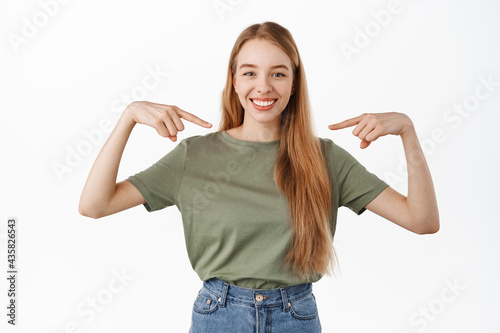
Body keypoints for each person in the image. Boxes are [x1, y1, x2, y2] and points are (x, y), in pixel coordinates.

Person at [79, 21, 439, 333]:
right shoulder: (195, 156)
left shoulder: (325, 158)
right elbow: (95, 205)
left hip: (295, 317)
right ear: (234, 82)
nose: (263, 86)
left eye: (278, 73)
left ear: (294, 83)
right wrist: (128, 117)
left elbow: (421, 220)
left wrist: (408, 132)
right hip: (218, 316)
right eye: (250, 72)